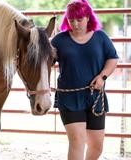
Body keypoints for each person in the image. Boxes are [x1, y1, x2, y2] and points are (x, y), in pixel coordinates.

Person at [51, 0, 119, 160]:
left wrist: (102, 77)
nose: (75, 24)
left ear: (88, 17)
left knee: (96, 146)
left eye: (79, 19)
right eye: (71, 20)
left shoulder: (101, 37)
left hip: (95, 96)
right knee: (77, 141)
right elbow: (43, 61)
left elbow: (113, 59)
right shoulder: (58, 41)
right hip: (69, 98)